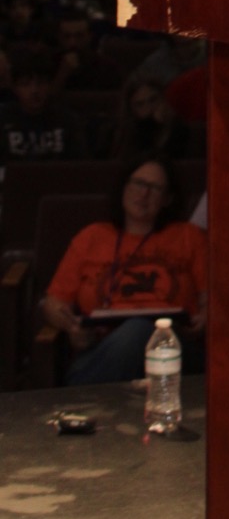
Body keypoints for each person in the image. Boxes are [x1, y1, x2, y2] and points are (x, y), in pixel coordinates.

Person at [41, 152, 207, 384]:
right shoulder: (92, 236)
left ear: (168, 198)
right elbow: (53, 303)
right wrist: (71, 327)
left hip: (174, 349)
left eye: (155, 188)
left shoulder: (188, 236)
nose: (144, 194)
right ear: (123, 187)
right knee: (134, 332)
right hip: (103, 347)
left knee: (139, 330)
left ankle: (95, 405)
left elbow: (210, 298)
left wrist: (205, 318)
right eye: (139, 183)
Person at [0, 43, 89, 163]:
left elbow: (80, 167)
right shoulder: (3, 119)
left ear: (49, 85)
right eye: (25, 84)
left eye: (41, 83)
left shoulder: (67, 120)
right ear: (15, 87)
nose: (34, 91)